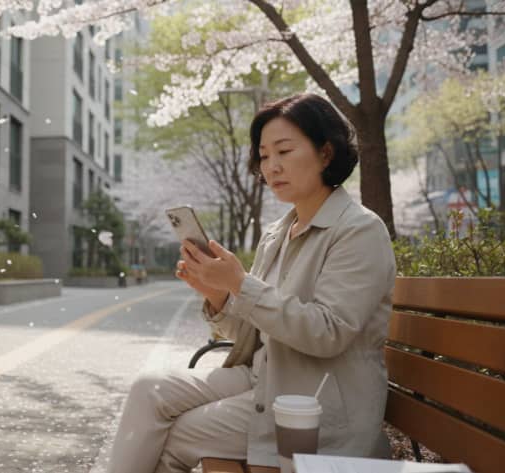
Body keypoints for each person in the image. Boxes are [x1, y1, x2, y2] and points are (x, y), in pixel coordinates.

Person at [106, 93, 396, 473]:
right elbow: (257, 329)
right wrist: (219, 296)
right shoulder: (279, 233)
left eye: (284, 151)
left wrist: (241, 286)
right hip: (265, 376)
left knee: (178, 436)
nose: (271, 166)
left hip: (315, 402)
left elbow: (328, 333)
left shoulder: (359, 230)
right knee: (150, 388)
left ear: (326, 153)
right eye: (264, 155)